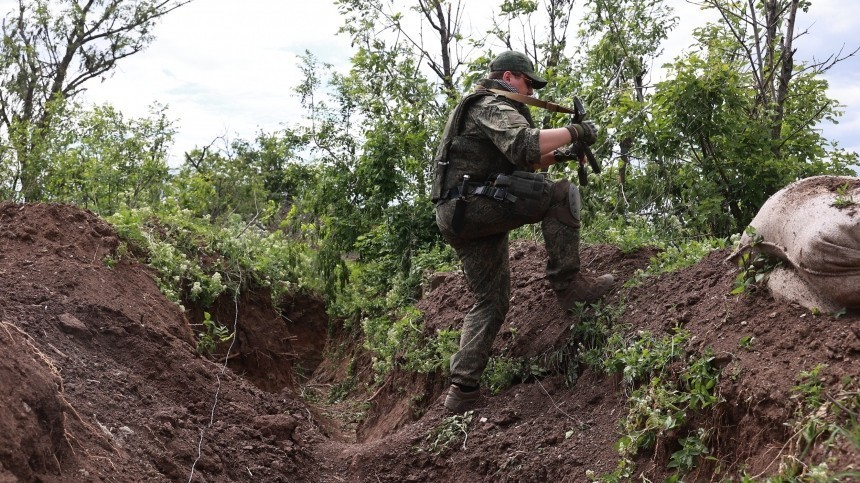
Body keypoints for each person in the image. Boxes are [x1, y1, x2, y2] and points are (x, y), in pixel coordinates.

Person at [431, 50, 614, 413]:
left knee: (492, 301)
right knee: (561, 194)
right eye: (529, 84)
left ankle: (462, 389)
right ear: (511, 76)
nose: (531, 91)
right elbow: (525, 143)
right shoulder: (490, 103)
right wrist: (574, 130)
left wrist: (565, 150)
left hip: (462, 212)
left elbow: (527, 158)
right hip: (472, 206)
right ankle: (570, 286)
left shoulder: (484, 106)